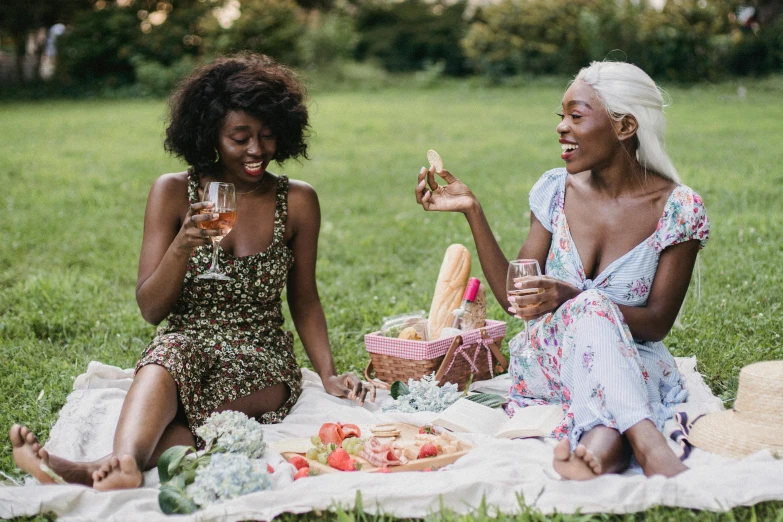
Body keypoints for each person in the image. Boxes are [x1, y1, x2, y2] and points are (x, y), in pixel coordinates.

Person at [10, 52, 375, 490]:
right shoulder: (171, 193)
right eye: (240, 137)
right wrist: (182, 245)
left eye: (267, 135)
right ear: (210, 136)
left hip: (261, 354)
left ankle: (100, 466)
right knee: (169, 358)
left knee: (176, 408)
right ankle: (122, 464)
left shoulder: (297, 201)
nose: (257, 150)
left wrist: (329, 372)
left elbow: (304, 298)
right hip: (186, 341)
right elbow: (150, 309)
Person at [415, 61, 708, 479]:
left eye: (577, 115)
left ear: (625, 127)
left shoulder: (678, 209)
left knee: (592, 313)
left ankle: (598, 452)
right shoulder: (555, 190)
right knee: (590, 308)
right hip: (549, 361)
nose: (561, 127)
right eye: (562, 116)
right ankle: (647, 440)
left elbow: (658, 323)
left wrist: (575, 297)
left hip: (634, 357)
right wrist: (472, 211)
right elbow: (514, 297)